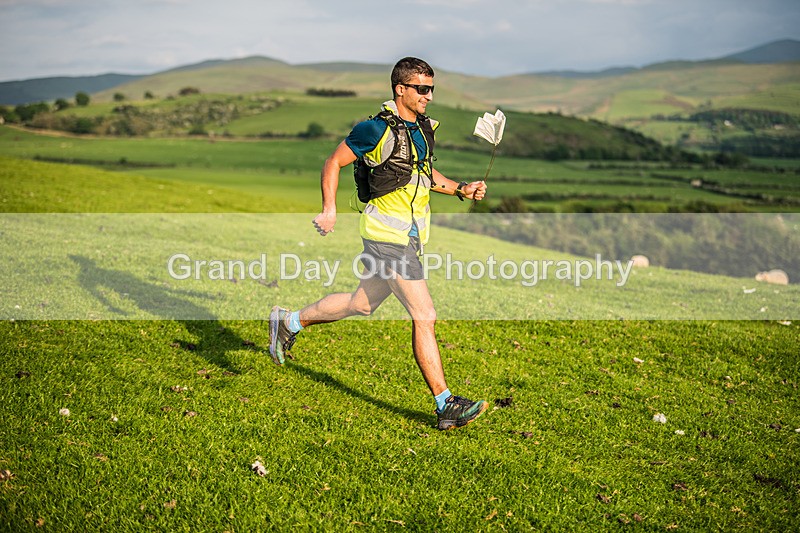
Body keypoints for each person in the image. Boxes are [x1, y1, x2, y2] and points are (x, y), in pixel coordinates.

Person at [269, 57, 489, 431]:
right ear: (400, 89)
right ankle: (445, 404)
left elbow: (423, 171)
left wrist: (460, 189)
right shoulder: (374, 129)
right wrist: (329, 210)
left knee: (362, 303)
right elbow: (332, 162)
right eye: (422, 88)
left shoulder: (419, 129)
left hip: (409, 236)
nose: (429, 96)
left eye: (431, 89)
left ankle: (287, 322)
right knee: (425, 315)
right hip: (387, 239)